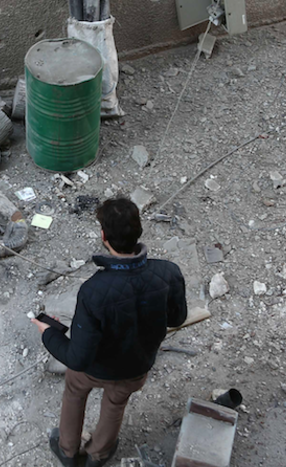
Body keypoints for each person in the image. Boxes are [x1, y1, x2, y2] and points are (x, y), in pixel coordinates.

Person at [32, 197, 187, 467]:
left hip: (96, 368)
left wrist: (48, 333)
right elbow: (177, 317)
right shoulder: (169, 273)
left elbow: (78, 358)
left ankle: (68, 451)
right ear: (138, 231)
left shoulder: (93, 290)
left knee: (75, 389)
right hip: (136, 367)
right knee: (115, 404)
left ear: (104, 236)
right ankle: (98, 454)